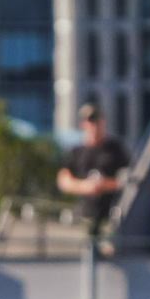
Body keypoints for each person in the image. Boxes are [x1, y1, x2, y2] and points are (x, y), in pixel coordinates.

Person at [57, 103, 131, 240]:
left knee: (110, 251)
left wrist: (105, 185)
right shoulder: (76, 151)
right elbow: (63, 180)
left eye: (97, 121)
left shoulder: (115, 149)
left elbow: (130, 178)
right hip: (84, 215)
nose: (94, 125)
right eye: (90, 122)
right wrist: (85, 186)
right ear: (83, 124)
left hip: (112, 214)